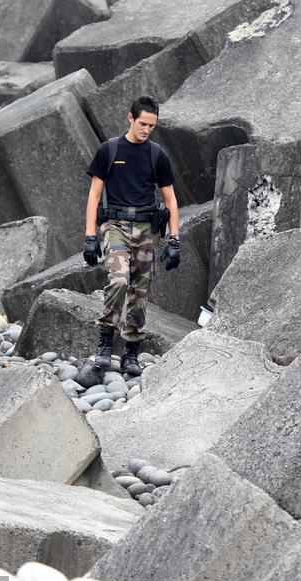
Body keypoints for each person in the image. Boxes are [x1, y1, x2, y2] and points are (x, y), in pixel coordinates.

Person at [82, 96, 180, 376]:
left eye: (152, 125)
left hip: (147, 230)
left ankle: (130, 353)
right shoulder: (109, 150)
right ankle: (105, 344)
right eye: (143, 124)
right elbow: (94, 196)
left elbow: (171, 200)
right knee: (119, 279)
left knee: (139, 291)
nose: (147, 130)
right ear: (130, 118)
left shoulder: (157, 155)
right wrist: (90, 236)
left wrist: (175, 240)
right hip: (115, 226)